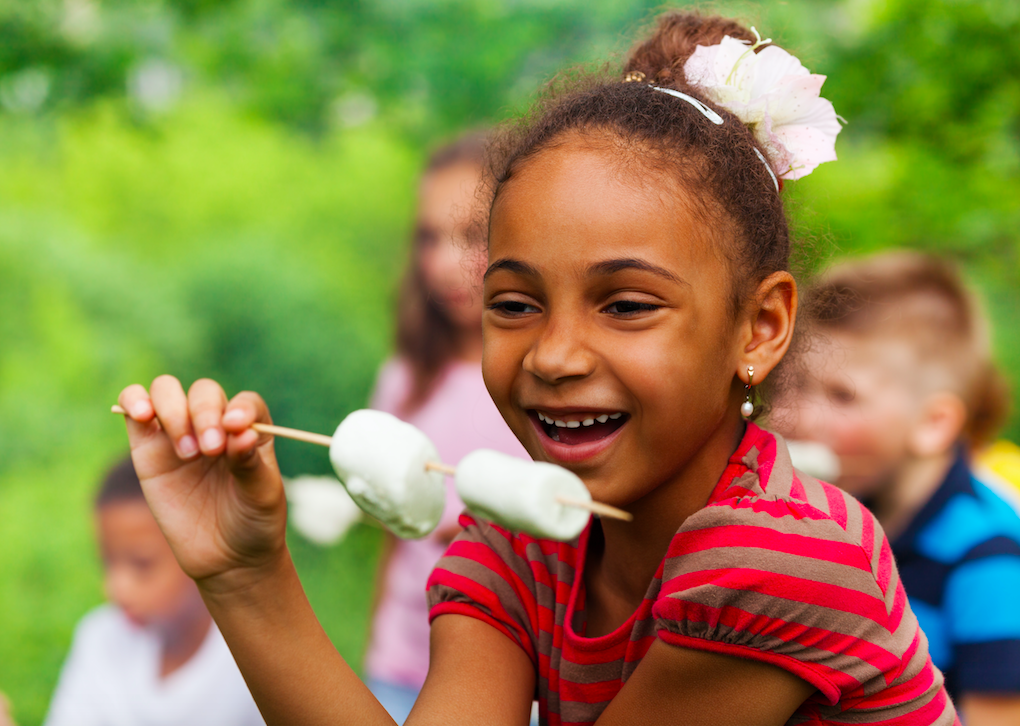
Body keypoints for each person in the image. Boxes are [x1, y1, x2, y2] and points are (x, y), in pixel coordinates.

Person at [115, 10, 957, 724]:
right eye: (514, 304)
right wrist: (243, 571)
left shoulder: (778, 560)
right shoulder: (522, 538)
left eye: (627, 305)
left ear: (760, 328)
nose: (553, 357)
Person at [770, 251, 1020, 725]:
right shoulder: (834, 514)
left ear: (932, 423)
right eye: (792, 382)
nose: (793, 417)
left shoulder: (989, 558)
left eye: (842, 395)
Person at [364, 133, 529, 723]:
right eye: (428, 238)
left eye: (471, 237)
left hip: (514, 676)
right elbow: (390, 539)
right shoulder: (405, 378)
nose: (440, 265)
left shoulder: (543, 385)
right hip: (401, 661)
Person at [42, 457, 265, 726]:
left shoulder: (252, 665)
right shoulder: (100, 638)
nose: (116, 589)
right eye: (107, 562)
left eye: (142, 564)